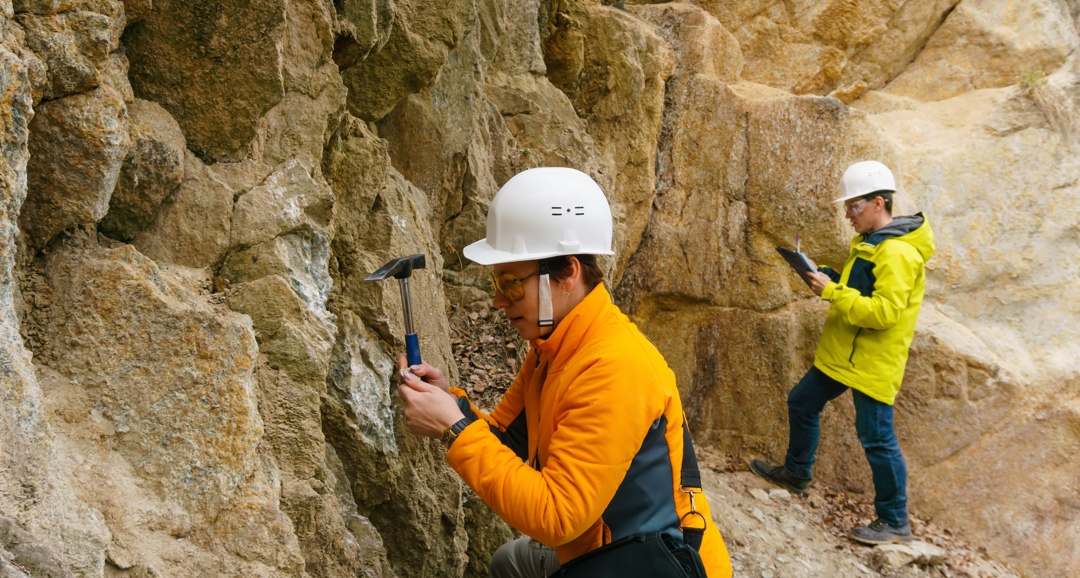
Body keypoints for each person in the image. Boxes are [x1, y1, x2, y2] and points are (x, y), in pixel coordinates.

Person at [394, 167, 732, 578]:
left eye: (511, 283)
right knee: (509, 562)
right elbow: (505, 440)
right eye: (496, 281)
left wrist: (454, 431)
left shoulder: (614, 368)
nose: (499, 301)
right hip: (602, 547)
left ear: (568, 273)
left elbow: (557, 517)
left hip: (654, 564)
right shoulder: (552, 349)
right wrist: (453, 406)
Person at [751, 161, 935, 545]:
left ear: (878, 203)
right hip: (843, 356)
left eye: (853, 206)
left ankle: (895, 521)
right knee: (802, 402)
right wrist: (829, 276)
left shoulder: (898, 253)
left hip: (870, 362)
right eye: (847, 206)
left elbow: (884, 313)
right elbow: (864, 289)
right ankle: (797, 474)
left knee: (876, 438)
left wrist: (831, 292)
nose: (847, 214)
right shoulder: (872, 242)